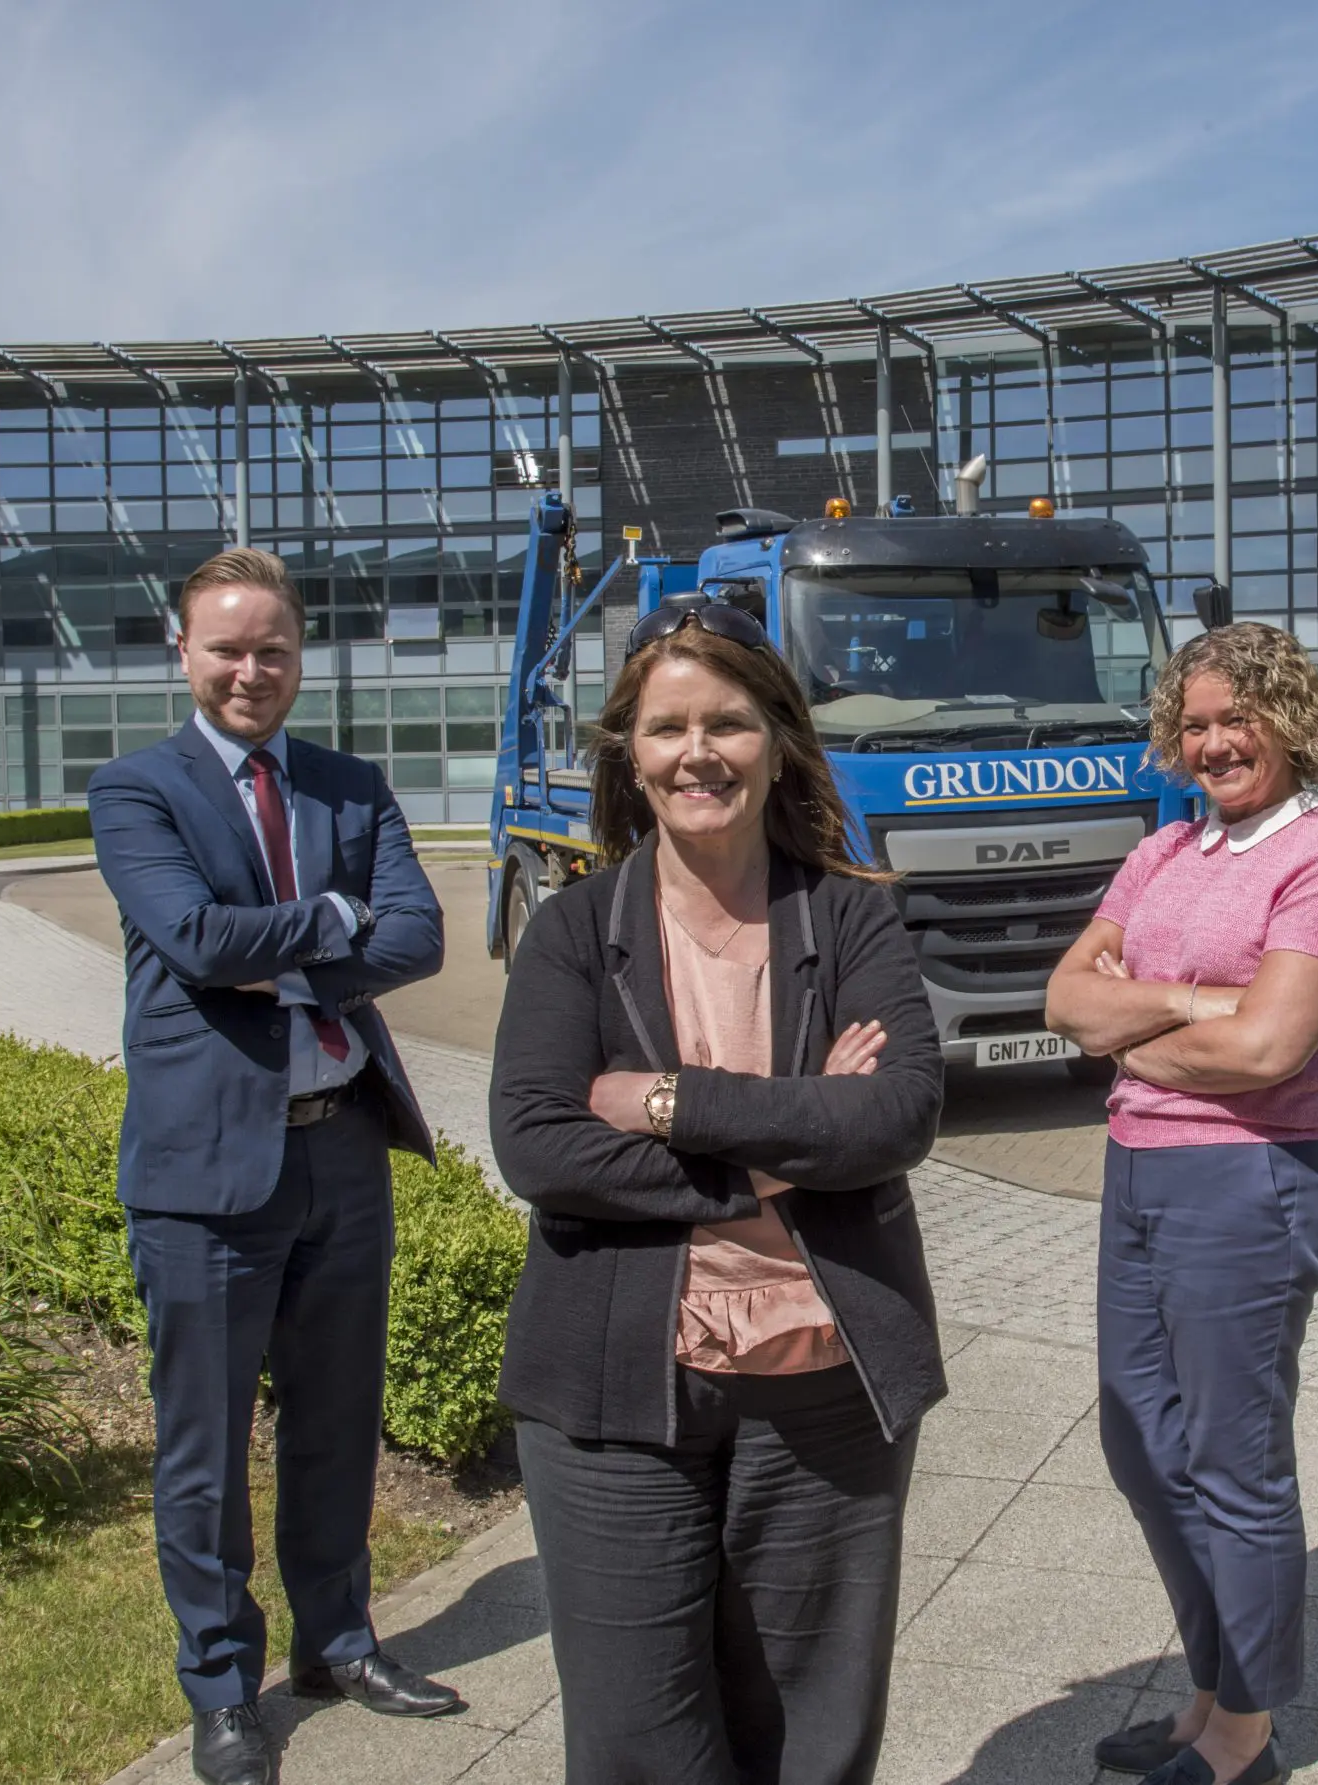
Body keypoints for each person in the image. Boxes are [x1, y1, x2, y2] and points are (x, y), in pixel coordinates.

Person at [490, 595, 946, 1785]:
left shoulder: (852, 916)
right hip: (611, 1389)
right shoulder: (574, 933)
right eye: (667, 728)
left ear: (780, 740)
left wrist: (665, 1101)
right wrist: (789, 1140)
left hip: (826, 1379)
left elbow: (895, 1116)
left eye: (730, 724)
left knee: (811, 1731)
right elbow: (537, 1144)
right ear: (630, 755)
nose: (699, 753)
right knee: (642, 1743)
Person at [90, 548, 459, 1785]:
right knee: (203, 1449)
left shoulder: (351, 787)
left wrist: (292, 948)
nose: (251, 671)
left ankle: (339, 1642)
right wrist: (338, 922)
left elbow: (421, 935)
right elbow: (193, 938)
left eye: (274, 650)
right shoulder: (135, 792)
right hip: (205, 1178)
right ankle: (221, 1686)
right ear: (181, 652)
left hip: (345, 1148)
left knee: (340, 1422)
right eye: (228, 648)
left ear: (301, 656)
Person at [1046, 622, 1318, 1785]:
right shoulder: (1165, 850)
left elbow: (1271, 1050)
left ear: (1287, 722)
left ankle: (1244, 1736)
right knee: (1141, 1443)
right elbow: (1062, 1000)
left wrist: (1135, 1031)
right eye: (1192, 723)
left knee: (1232, 1464)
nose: (1213, 742)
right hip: (1138, 1170)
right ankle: (1205, 1694)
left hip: (1248, 1185)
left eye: (1236, 717)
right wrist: (1198, 1002)